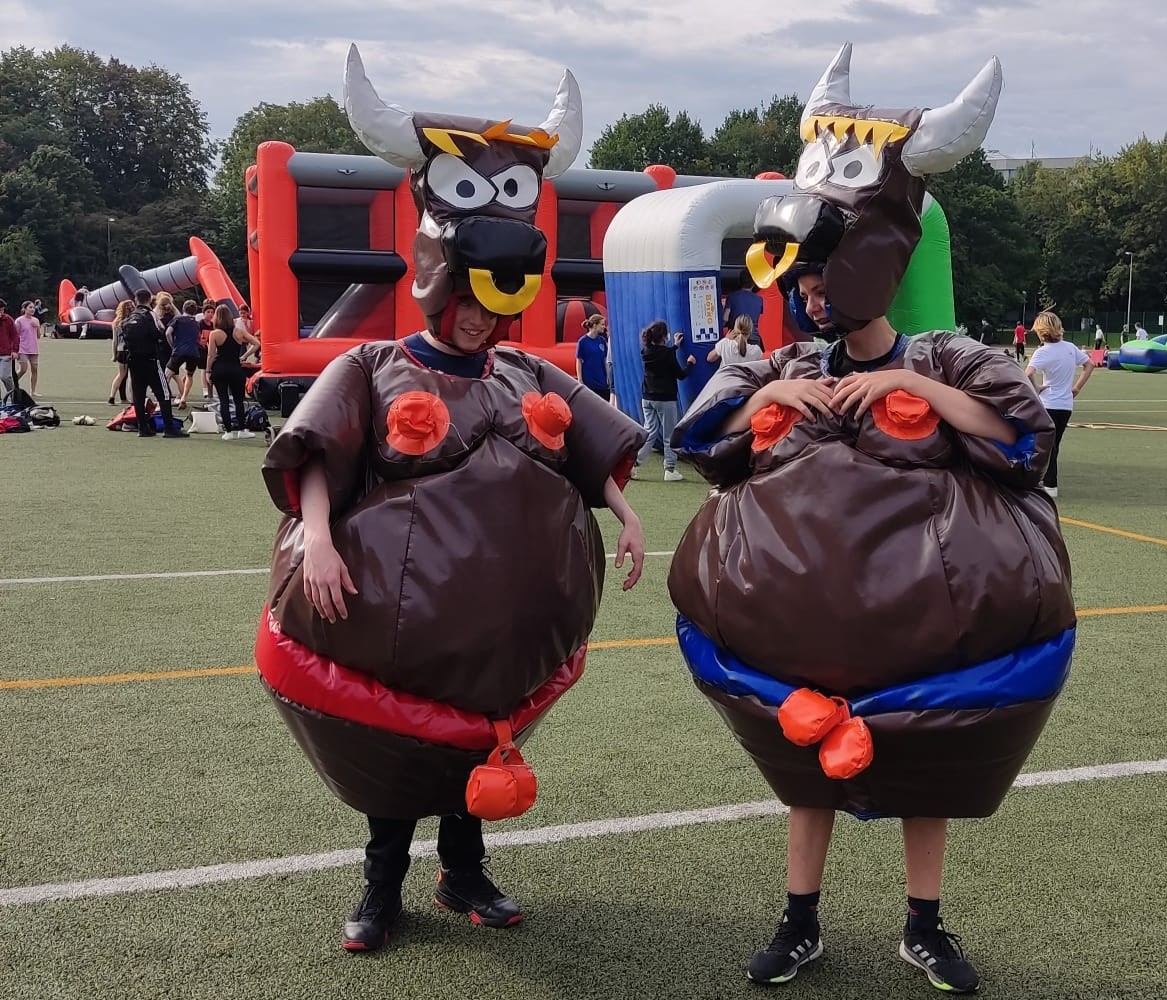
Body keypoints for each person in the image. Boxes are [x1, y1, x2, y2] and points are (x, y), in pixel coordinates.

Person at [668, 46, 1074, 995]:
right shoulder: (785, 366)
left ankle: (924, 928)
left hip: (921, 638)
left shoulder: (950, 356)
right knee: (807, 783)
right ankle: (799, 919)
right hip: (803, 637)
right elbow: (703, 437)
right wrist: (776, 407)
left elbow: (1021, 438)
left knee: (925, 779)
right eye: (802, 288)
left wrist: (901, 382)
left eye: (821, 286)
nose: (810, 300)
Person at [255, 42, 648, 955]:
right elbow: (318, 454)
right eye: (465, 299)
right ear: (440, 283)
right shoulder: (373, 366)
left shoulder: (523, 372)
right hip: (402, 623)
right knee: (399, 759)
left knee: (478, 740)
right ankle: (381, 887)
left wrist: (626, 515)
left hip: (499, 630)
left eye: (489, 303)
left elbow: (591, 452)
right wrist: (315, 537)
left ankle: (463, 873)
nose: (477, 317)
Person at [1025, 311, 1095, 499]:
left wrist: (1037, 388)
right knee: (1053, 444)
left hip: (1048, 403)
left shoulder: (1043, 352)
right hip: (1065, 405)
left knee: (1046, 445)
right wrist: (1077, 388)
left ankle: (1049, 484)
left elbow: (1028, 373)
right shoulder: (1070, 348)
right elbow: (1090, 365)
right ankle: (1047, 482)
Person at [635, 320, 695, 482]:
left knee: (650, 431)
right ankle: (670, 469)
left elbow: (662, 354)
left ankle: (633, 463)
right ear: (663, 336)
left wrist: (675, 347)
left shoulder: (645, 352)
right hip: (665, 399)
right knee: (669, 435)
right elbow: (681, 375)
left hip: (647, 397)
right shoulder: (667, 354)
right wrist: (690, 364)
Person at [120, 288, 185, 438]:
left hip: (134, 361)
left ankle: (143, 428)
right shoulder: (151, 315)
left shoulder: (130, 317)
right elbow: (160, 333)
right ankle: (169, 428)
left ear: (136, 300)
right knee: (165, 393)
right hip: (151, 360)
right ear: (150, 300)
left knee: (138, 395)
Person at [206, 304, 259, 438]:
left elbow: (211, 355)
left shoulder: (215, 334)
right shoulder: (238, 332)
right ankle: (242, 430)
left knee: (223, 400)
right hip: (235, 368)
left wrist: (208, 371)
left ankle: (228, 431)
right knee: (239, 400)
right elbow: (257, 343)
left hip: (220, 369)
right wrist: (244, 356)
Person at [723, 270, 766, 346]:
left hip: (735, 337)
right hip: (753, 338)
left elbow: (725, 318)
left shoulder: (732, 297)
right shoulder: (759, 299)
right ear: (753, 283)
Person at [575, 314, 610, 399]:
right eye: (602, 324)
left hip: (602, 381)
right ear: (595, 325)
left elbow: (606, 360)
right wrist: (580, 379)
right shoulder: (583, 341)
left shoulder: (602, 341)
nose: (604, 327)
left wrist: (609, 377)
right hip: (589, 381)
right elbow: (579, 361)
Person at [108, 300, 134, 406]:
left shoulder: (116, 322)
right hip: (129, 350)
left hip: (120, 351)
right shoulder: (131, 321)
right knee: (132, 376)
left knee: (120, 375)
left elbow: (115, 340)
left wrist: (114, 354)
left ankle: (112, 396)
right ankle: (133, 399)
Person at [15, 300, 41, 396]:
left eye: (33, 307)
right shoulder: (19, 320)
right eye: (30, 307)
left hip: (33, 348)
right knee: (23, 369)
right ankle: (13, 384)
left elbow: (38, 336)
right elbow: (15, 335)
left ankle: (33, 391)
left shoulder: (36, 320)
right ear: (24, 309)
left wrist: (37, 327)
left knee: (34, 369)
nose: (32, 309)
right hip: (22, 348)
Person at [0, 300, 19, 397]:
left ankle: (13, 395)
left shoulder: (8, 320)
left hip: (5, 354)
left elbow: (15, 336)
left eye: (2, 309)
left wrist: (15, 350)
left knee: (5, 377)